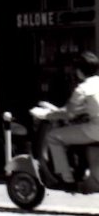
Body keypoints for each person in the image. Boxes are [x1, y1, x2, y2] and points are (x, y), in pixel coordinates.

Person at [34, 50, 99, 188]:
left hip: (95, 129)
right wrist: (54, 109)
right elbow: (85, 109)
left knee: (53, 137)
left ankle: (66, 179)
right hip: (93, 125)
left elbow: (69, 114)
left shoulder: (82, 89)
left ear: (79, 71)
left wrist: (44, 114)